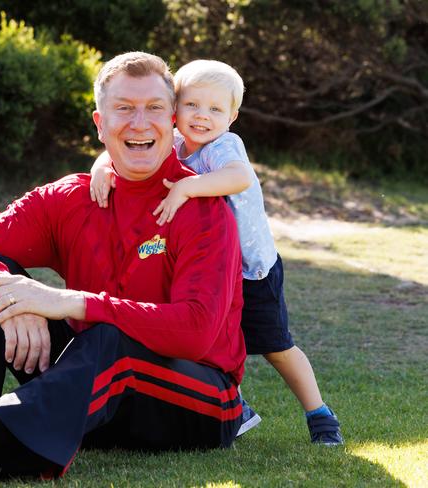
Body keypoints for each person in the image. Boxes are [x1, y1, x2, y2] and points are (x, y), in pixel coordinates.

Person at [0, 52, 247, 485]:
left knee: (111, 337)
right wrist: (2, 288)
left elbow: (195, 331)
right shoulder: (72, 197)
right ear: (99, 123)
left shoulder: (204, 208)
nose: (140, 123)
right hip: (92, 388)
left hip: (199, 399)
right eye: (124, 109)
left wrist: (64, 302)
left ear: (173, 121)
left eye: (154, 109)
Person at [90, 59, 343, 445]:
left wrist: (187, 188)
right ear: (175, 110)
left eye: (215, 109)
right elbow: (118, 148)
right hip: (209, 271)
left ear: (232, 116)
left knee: (276, 347)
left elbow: (239, 178)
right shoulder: (173, 143)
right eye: (192, 105)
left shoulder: (225, 147)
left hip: (251, 272)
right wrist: (99, 167)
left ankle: (319, 414)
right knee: (207, 342)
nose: (202, 117)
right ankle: (235, 405)